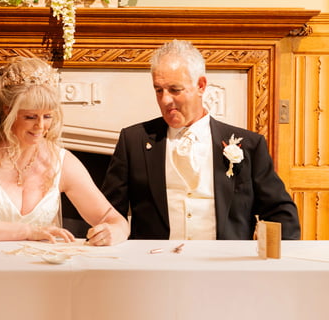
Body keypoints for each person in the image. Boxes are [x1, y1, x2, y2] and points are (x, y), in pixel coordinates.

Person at [101, 40, 300, 240]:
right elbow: (107, 212)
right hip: (154, 263)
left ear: (201, 86)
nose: (165, 100)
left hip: (224, 265)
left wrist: (269, 262)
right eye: (158, 90)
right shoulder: (133, 141)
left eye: (175, 89)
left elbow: (281, 213)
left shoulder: (249, 145)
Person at [0, 55, 129, 246]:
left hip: (43, 269)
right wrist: (29, 232)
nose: (40, 126)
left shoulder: (61, 161)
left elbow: (117, 222)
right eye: (30, 117)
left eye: (48, 116)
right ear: (8, 111)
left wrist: (114, 231)